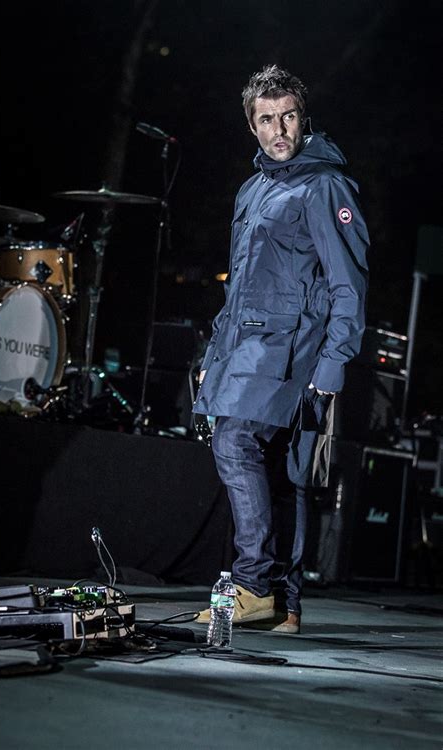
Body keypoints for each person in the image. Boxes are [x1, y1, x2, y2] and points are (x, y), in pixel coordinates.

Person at [193, 64, 369, 634]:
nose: (279, 129)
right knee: (279, 470)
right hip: (246, 348)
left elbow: (349, 282)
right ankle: (284, 604)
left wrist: (335, 365)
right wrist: (212, 358)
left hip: (293, 353)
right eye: (267, 119)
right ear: (252, 125)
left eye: (288, 116)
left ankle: (250, 583)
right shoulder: (254, 189)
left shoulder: (324, 184)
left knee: (234, 439)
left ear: (303, 117)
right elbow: (240, 282)